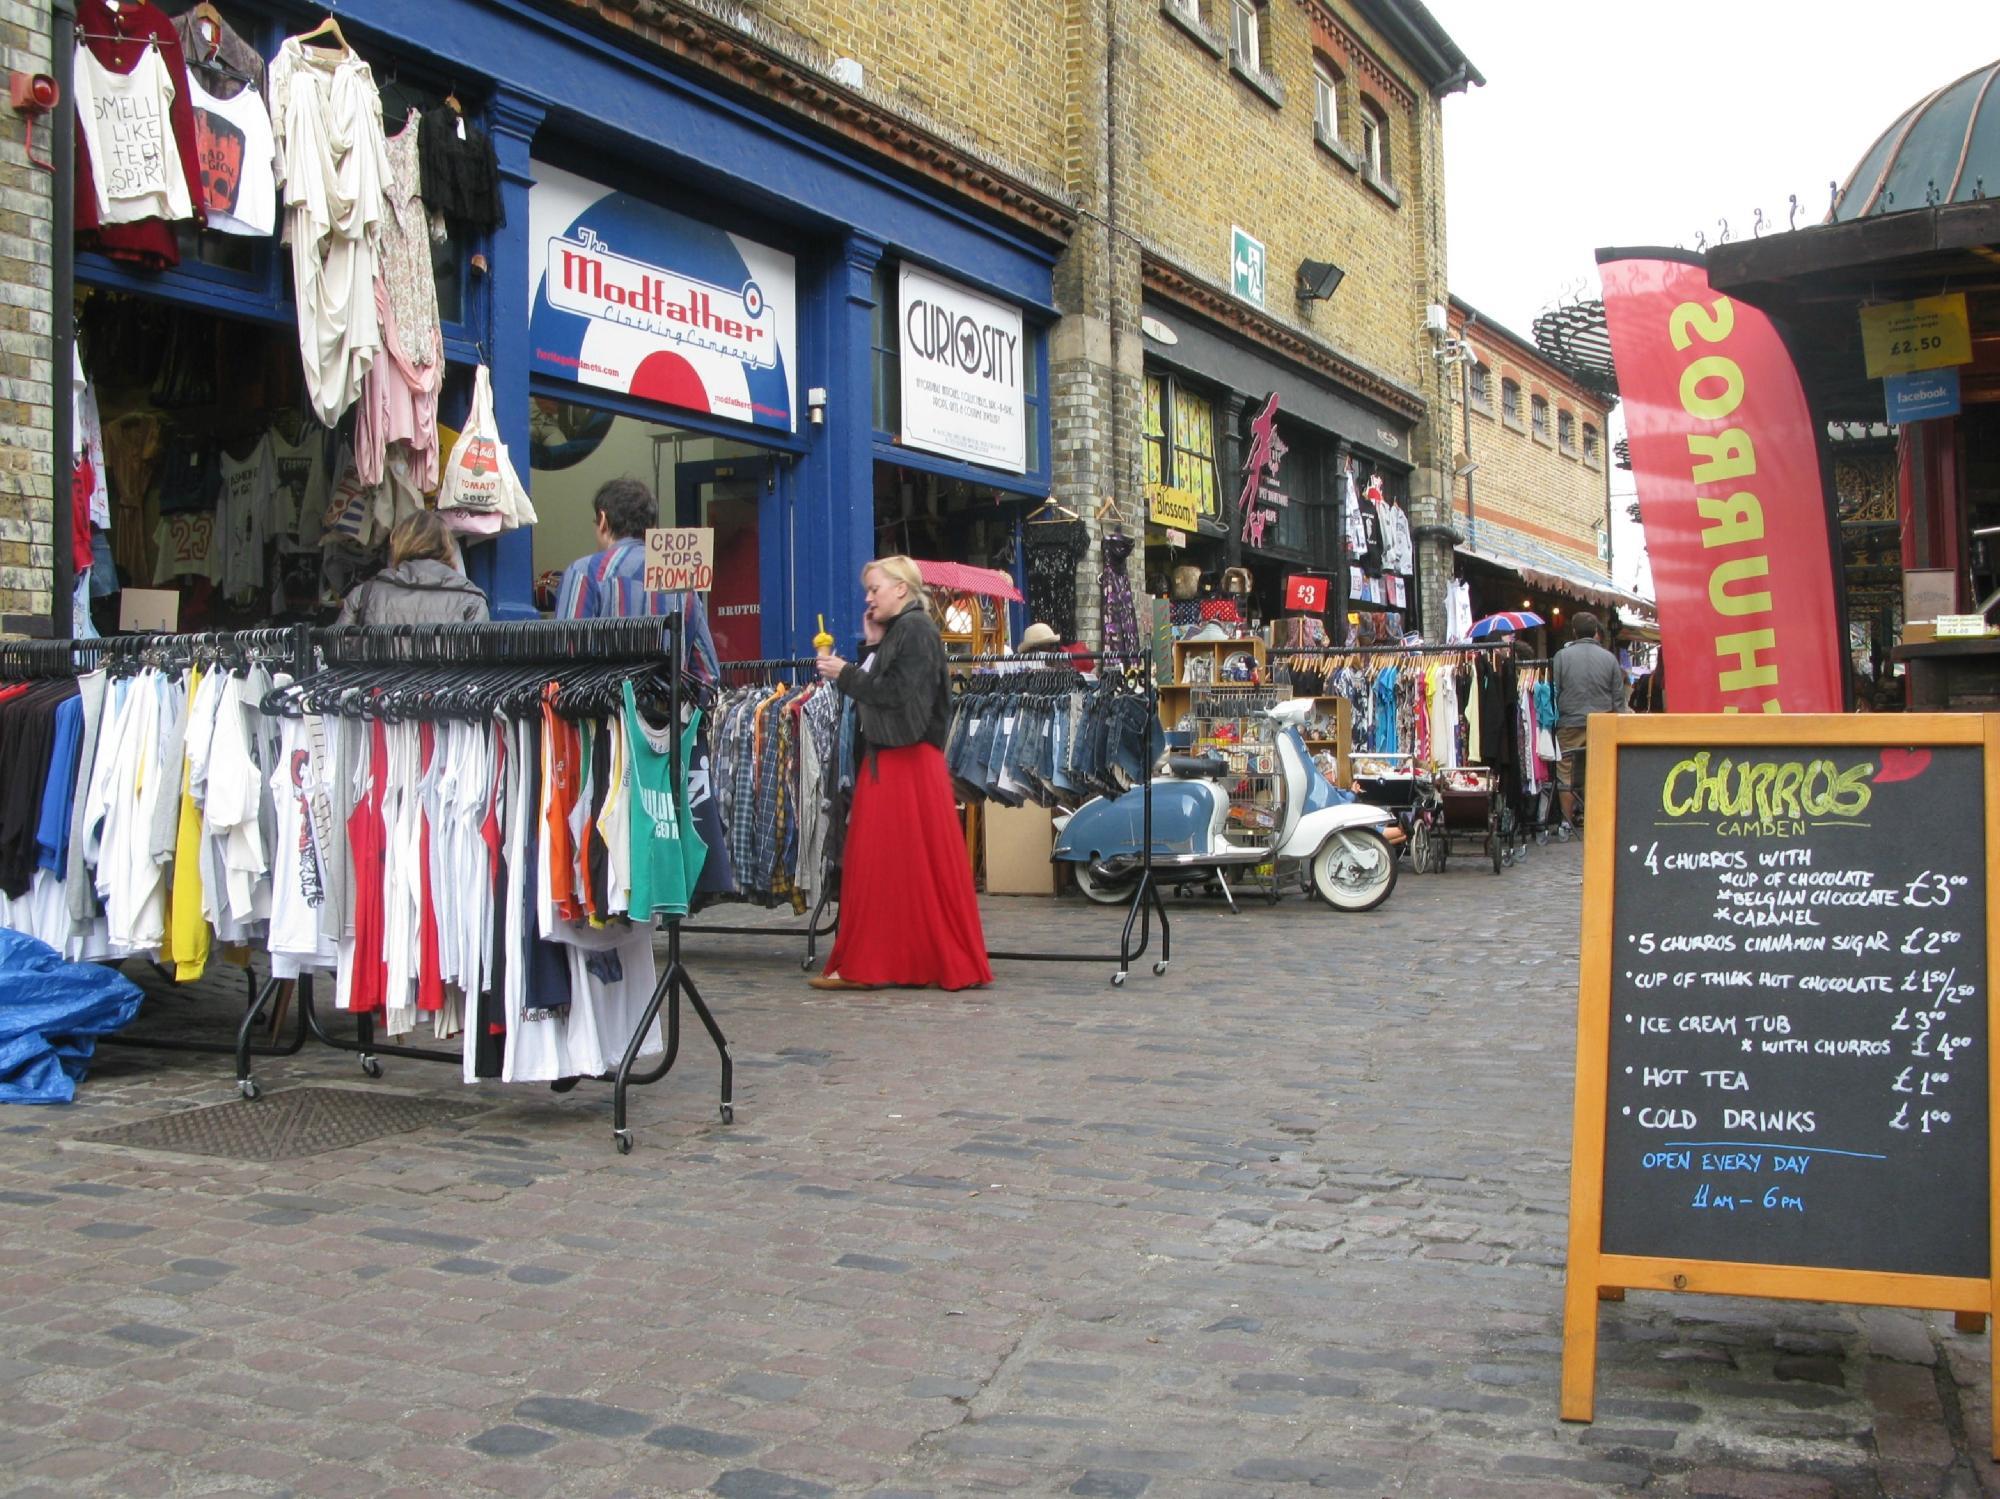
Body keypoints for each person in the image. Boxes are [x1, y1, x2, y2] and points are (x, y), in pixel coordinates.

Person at [812, 555, 991, 991]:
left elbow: (897, 696)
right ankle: (902, 960)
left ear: (901, 589)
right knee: (901, 869)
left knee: (885, 868)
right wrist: (872, 646)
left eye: (875, 588)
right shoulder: (906, 630)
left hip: (903, 762)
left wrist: (846, 674)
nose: (869, 598)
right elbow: (893, 687)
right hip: (900, 762)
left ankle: (878, 962)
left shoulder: (914, 630)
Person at [553, 477, 720, 682]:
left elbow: (565, 663)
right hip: (670, 711)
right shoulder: (681, 583)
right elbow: (708, 674)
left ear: (603, 520)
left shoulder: (584, 573)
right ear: (652, 526)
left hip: (602, 711)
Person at [334, 511, 489, 626]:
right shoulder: (471, 600)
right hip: (446, 672)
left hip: (380, 671)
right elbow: (478, 662)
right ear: (447, 547)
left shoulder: (364, 595)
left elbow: (340, 651)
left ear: (399, 544)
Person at [1550, 611, 1627, 827]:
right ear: (1595, 632)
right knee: (1600, 771)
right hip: (1601, 724)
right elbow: (1618, 698)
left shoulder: (1561, 657)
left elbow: (1553, 692)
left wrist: (1551, 722)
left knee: (1566, 771)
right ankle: (1598, 819)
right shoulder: (1609, 658)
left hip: (1569, 723)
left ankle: (1566, 822)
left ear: (1574, 632)